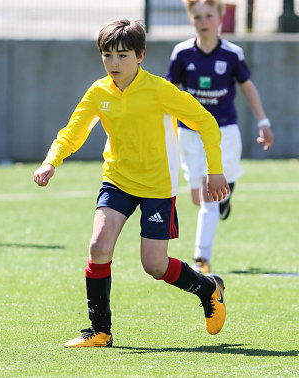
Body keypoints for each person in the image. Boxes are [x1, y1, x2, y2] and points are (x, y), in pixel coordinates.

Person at [34, 18, 230, 348]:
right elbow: (74, 132)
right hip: (118, 180)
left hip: (157, 186)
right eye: (107, 55)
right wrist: (51, 161)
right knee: (98, 247)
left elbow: (206, 122)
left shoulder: (160, 90)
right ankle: (99, 331)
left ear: (140, 55)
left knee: (154, 265)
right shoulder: (99, 92)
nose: (114, 63)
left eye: (122, 55)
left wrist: (215, 170)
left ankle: (208, 288)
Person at [166, 0, 274, 274]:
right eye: (198, 16)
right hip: (189, 135)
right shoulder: (181, 53)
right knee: (197, 197)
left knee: (208, 197)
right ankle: (223, 197)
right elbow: (167, 92)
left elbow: (248, 87)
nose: (204, 21)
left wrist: (263, 121)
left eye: (208, 16)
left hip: (224, 133)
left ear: (219, 18)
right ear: (191, 19)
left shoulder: (232, 54)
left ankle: (201, 258)